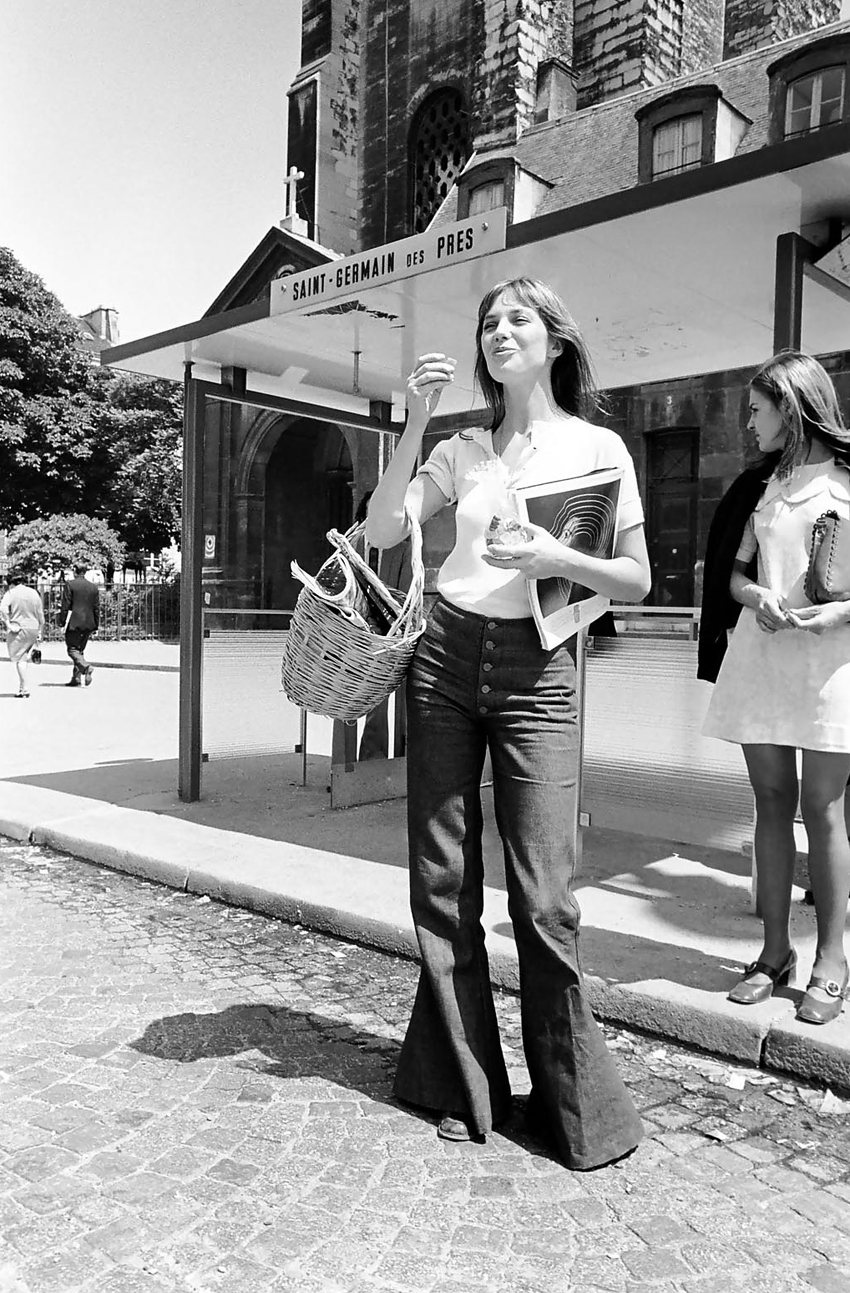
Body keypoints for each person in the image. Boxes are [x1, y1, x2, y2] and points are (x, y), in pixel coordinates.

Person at [365, 276, 650, 1170]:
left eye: (517, 318)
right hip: (445, 655)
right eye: (489, 321)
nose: (499, 331)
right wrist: (412, 422)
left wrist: (557, 554)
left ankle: (574, 1109)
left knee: (546, 893)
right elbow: (381, 531)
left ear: (556, 340)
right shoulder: (460, 449)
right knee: (442, 879)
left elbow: (635, 579)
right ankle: (462, 1083)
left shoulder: (599, 448)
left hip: (541, 664)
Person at [703, 351, 850, 1025]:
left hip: (829, 663)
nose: (748, 421)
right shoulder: (760, 485)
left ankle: (832, 959)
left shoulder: (848, 478)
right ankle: (773, 953)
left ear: (790, 409)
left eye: (757, 408)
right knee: (769, 799)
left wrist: (841, 611)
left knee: (823, 807)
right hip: (762, 655)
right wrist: (754, 590)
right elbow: (731, 577)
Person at [0, 569, 45, 698]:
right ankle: (22, 687)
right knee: (24, 657)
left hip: (18, 628)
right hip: (33, 627)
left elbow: (2, 609)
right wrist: (40, 630)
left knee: (20, 659)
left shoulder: (11, 593)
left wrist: (8, 624)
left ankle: (24, 688)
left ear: (11, 582)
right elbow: (40, 613)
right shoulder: (33, 593)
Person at [60, 563, 99, 687]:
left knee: (72, 649)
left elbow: (65, 605)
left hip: (74, 621)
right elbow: (96, 608)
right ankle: (76, 678)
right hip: (89, 622)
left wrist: (62, 622)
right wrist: (96, 625)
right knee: (80, 650)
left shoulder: (70, 584)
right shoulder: (93, 587)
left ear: (75, 571)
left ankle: (86, 668)